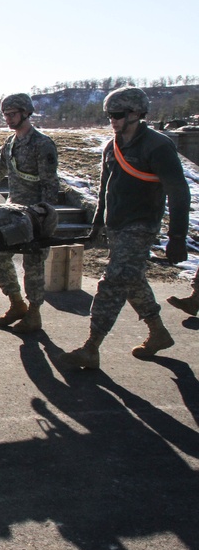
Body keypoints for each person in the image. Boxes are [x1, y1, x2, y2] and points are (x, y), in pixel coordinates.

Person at [62, 86, 191, 369]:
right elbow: (105, 189)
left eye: (118, 115)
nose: (113, 120)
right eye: (110, 115)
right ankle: (158, 332)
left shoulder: (157, 146)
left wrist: (177, 236)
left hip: (141, 225)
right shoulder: (113, 146)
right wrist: (97, 225)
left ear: (137, 114)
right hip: (116, 226)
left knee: (113, 280)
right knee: (131, 279)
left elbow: (179, 192)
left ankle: (91, 348)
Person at [0, 93, 59, 333]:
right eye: (5, 115)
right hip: (14, 212)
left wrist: (44, 214)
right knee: (0, 257)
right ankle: (16, 303)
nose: (8, 119)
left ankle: (34, 313)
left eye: (12, 114)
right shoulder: (11, 143)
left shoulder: (42, 144)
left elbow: (50, 184)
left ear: (25, 113)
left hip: (36, 215)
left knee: (33, 265)